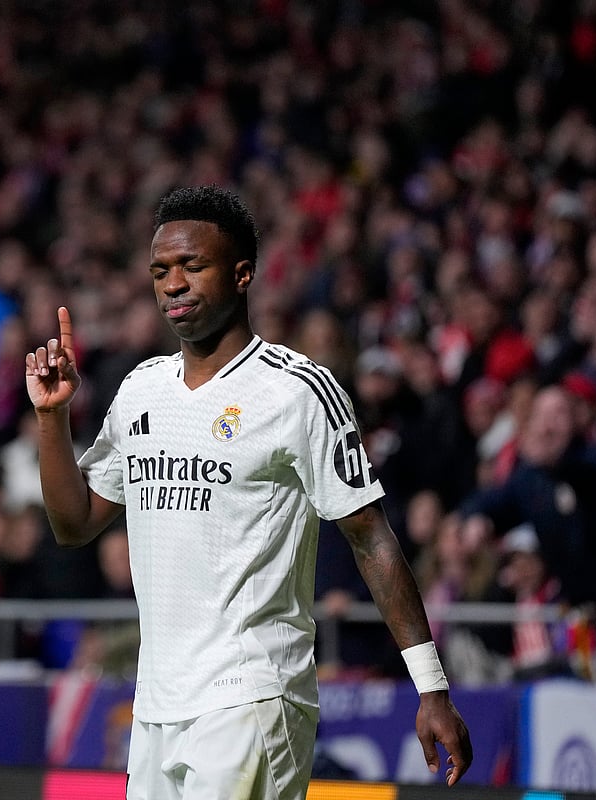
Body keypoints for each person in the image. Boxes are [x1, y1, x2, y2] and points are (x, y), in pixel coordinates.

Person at [24, 186, 472, 799]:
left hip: (252, 695)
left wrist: (431, 688)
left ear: (242, 275)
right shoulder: (141, 391)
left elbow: (371, 536)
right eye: (160, 271)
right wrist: (53, 418)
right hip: (157, 703)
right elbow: (74, 524)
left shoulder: (297, 391)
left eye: (192, 266)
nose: (173, 283)